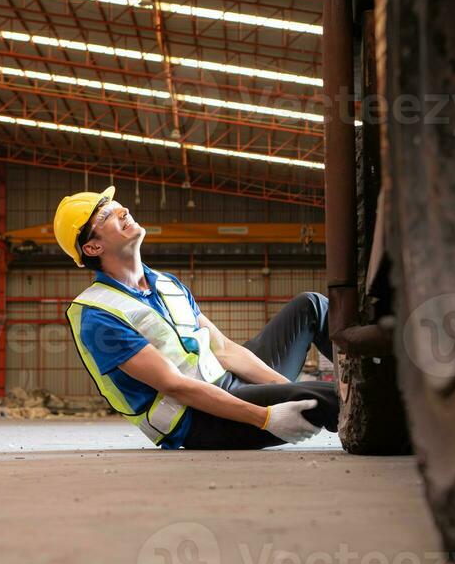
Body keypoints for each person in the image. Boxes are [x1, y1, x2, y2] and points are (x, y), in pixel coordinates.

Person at [54, 185, 339, 449]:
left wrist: (284, 388)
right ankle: (378, 422)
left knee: (311, 306)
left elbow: (224, 350)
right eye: (106, 215)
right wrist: (265, 417)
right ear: (92, 247)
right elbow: (174, 386)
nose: (122, 211)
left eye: (117, 205)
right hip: (199, 417)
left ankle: (364, 372)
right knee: (330, 396)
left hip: (228, 380)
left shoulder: (167, 284)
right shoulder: (99, 315)